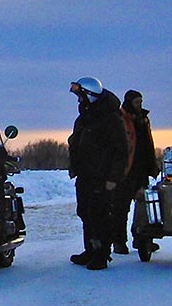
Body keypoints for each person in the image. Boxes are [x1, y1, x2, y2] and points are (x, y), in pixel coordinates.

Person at [67, 76, 128, 270]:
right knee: (85, 212)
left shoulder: (109, 118)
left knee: (99, 214)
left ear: (90, 95)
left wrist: (113, 178)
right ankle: (90, 250)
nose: (78, 100)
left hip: (102, 176)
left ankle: (102, 253)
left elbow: (121, 150)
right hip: (85, 174)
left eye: (81, 95)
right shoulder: (85, 116)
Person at [115, 90, 159, 255]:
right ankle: (119, 241)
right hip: (125, 170)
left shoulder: (144, 119)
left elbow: (148, 143)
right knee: (121, 207)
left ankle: (142, 238)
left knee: (143, 206)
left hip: (141, 169)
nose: (140, 105)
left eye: (141, 102)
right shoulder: (121, 118)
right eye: (136, 102)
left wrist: (152, 165)